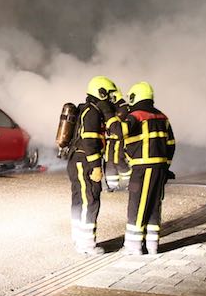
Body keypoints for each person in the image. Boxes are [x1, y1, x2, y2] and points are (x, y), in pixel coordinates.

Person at [121, 81, 175, 256]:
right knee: (154, 205)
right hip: (160, 168)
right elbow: (171, 144)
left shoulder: (135, 116)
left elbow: (120, 133)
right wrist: (166, 166)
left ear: (134, 96)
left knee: (137, 205)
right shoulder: (162, 117)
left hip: (142, 168)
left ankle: (134, 246)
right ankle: (153, 245)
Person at [68, 76, 117, 255]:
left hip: (78, 161)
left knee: (79, 201)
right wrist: (96, 166)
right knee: (90, 200)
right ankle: (87, 244)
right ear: (101, 93)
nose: (111, 98)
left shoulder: (87, 109)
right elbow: (89, 141)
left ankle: (78, 238)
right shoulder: (93, 112)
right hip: (85, 162)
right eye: (109, 94)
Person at [103, 89, 131, 192]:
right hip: (111, 141)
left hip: (120, 140)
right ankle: (112, 186)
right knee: (110, 162)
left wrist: (108, 114)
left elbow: (118, 123)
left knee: (119, 161)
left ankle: (129, 183)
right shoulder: (114, 107)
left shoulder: (123, 107)